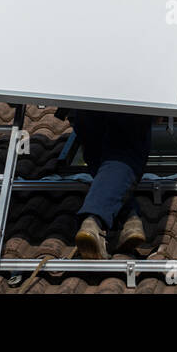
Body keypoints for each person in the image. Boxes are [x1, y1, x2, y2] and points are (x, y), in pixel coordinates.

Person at [67, 109, 154, 258]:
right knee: (125, 154)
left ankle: (129, 219)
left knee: (99, 159)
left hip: (82, 104)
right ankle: (93, 221)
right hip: (130, 103)